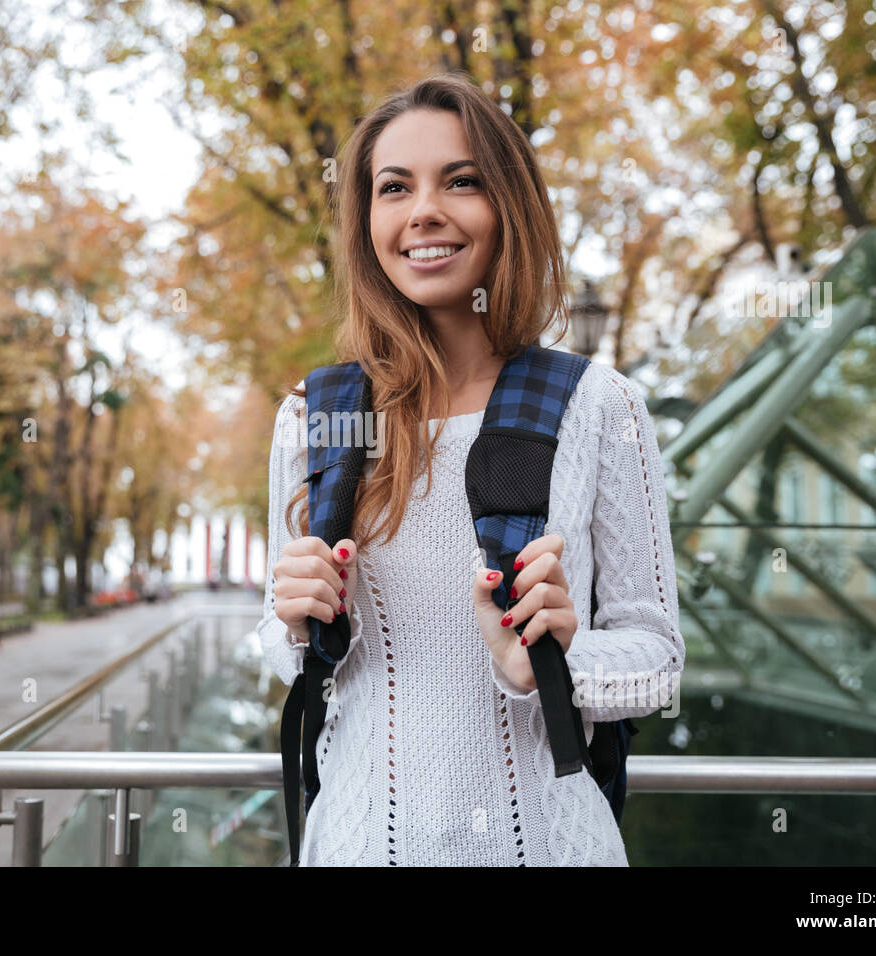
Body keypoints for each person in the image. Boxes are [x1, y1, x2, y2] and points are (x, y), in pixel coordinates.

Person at [259, 72, 685, 866]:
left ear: (508, 209)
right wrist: (291, 621)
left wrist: (548, 663)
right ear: (368, 221)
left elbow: (656, 657)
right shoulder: (312, 417)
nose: (424, 210)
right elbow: (278, 643)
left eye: (462, 180)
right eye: (394, 187)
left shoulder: (598, 405)